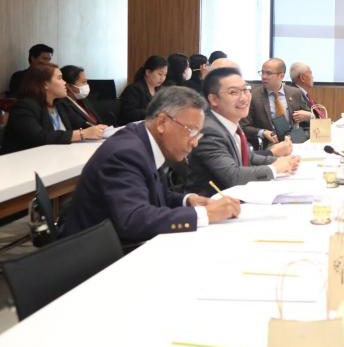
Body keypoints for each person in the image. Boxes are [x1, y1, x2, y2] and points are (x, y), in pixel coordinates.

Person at [59, 87, 241, 245]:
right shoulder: (125, 153)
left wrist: (187, 200)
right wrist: (204, 214)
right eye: (191, 131)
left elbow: (153, 194)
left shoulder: (145, 140)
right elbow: (133, 219)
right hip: (99, 255)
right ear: (162, 122)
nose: (195, 142)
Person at [187, 67, 299, 195]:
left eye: (246, 90)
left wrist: (285, 162)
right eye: (233, 92)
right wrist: (274, 168)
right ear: (214, 99)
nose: (244, 98)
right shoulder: (209, 130)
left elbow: (250, 158)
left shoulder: (230, 122)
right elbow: (233, 176)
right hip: (214, 203)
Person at [1, 63, 106, 154]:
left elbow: (80, 124)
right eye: (60, 78)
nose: (65, 83)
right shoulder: (25, 107)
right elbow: (39, 137)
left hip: (58, 156)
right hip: (25, 163)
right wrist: (81, 134)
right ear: (45, 84)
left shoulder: (60, 104)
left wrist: (98, 129)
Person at [242, 58, 305, 149]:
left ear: (281, 76)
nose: (264, 76)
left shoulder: (295, 93)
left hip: (294, 140)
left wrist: (308, 115)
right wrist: (263, 132)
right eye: (262, 72)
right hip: (269, 143)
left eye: (268, 73)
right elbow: (244, 126)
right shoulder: (253, 95)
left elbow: (308, 120)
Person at [120, 56, 168, 124]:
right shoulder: (133, 89)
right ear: (148, 72)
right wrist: (153, 112)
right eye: (160, 74)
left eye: (165, 75)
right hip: (135, 127)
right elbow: (129, 113)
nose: (163, 78)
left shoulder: (160, 90)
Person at [288, 61, 325, 132]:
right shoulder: (294, 94)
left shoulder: (303, 93)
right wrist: (312, 117)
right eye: (310, 73)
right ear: (302, 78)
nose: (313, 77)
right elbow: (300, 122)